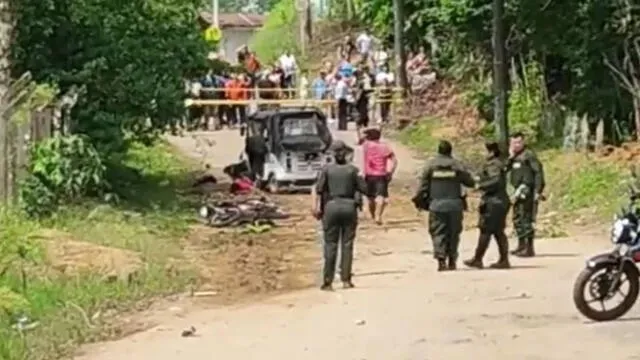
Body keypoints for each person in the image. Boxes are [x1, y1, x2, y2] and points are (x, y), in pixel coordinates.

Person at [311, 140, 367, 291]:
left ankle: (328, 282)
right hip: (349, 208)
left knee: (330, 244)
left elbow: (318, 190)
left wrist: (315, 208)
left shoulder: (326, 170)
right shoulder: (353, 170)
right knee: (347, 245)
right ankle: (346, 280)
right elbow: (365, 189)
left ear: (332, 155)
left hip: (331, 208)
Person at [413, 140, 476, 271]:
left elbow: (423, 187)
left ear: (439, 151)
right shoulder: (457, 166)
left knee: (438, 232)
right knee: (453, 233)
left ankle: (441, 260)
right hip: (455, 205)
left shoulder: (430, 166)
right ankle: (452, 260)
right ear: (450, 151)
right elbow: (470, 182)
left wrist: (418, 201)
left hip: (436, 205)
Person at [464, 141, 511, 269]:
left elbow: (495, 181)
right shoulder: (497, 163)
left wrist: (480, 186)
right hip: (498, 201)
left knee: (486, 230)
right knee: (497, 232)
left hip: (494, 202)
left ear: (491, 152)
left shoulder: (494, 165)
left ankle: (478, 259)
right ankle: (503, 260)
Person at [507, 132, 545, 257]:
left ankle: (529, 248)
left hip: (527, 191)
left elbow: (538, 172)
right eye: (513, 143)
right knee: (517, 218)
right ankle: (521, 245)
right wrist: (510, 157)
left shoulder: (528, 155)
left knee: (526, 218)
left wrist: (538, 191)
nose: (516, 145)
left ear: (523, 142)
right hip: (516, 191)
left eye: (518, 142)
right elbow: (505, 169)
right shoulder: (514, 157)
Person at [358, 127, 397, 225]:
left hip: (369, 175)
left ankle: (372, 215)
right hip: (381, 175)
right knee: (381, 197)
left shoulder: (366, 145)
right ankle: (378, 216)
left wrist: (360, 129)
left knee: (370, 197)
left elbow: (360, 139)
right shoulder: (385, 147)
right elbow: (394, 161)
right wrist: (391, 172)